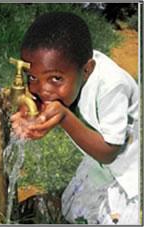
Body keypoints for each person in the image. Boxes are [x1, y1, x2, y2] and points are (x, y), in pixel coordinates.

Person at [11, 12, 139, 224]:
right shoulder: (71, 69)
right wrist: (31, 110)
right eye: (33, 77)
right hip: (97, 165)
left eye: (55, 78)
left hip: (128, 171)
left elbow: (109, 152)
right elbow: (43, 94)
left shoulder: (112, 87)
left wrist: (64, 118)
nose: (43, 90)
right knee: (74, 211)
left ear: (87, 70)